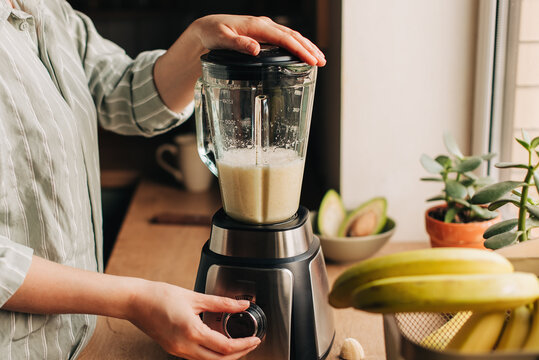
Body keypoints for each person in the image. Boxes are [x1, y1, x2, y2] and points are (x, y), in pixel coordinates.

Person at [0, 0, 326, 359]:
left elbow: (120, 92)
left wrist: (200, 41)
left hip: (80, 339)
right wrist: (136, 300)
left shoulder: (47, 9)